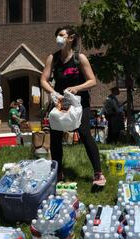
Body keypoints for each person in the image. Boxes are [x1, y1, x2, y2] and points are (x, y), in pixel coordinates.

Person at [40, 25, 106, 186]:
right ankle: (58, 173)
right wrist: (53, 93)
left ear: (71, 38)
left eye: (62, 35)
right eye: (57, 35)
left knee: (84, 133)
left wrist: (77, 88)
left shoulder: (80, 58)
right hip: (61, 101)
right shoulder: (53, 58)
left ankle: (98, 173)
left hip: (79, 102)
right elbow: (43, 79)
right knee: (55, 135)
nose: (59, 38)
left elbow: (92, 81)